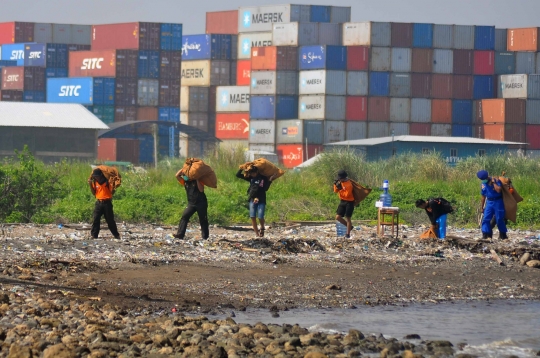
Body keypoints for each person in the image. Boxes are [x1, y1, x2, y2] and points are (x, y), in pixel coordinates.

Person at [236, 166, 275, 237]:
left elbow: (265, 188)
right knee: (252, 216)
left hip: (261, 199)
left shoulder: (263, 178)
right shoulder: (251, 178)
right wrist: (241, 168)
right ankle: (257, 234)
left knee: (260, 216)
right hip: (252, 199)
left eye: (253, 173)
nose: (252, 174)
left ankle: (262, 228)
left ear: (257, 172)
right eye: (251, 173)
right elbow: (238, 175)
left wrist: (270, 180)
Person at [174, 169, 209, 240]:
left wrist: (197, 179)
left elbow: (201, 190)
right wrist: (184, 169)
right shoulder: (185, 182)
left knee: (203, 219)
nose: (185, 176)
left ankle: (205, 237)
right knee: (184, 217)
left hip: (201, 203)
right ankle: (180, 234)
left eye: (186, 175)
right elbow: (177, 175)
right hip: (191, 203)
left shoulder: (199, 181)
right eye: (184, 175)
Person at [88, 168, 120, 239]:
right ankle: (94, 235)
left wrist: (113, 186)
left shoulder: (107, 182)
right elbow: (94, 193)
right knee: (96, 219)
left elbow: (112, 192)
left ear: (101, 175)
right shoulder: (95, 182)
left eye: (97, 176)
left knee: (110, 220)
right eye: (95, 176)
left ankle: (116, 235)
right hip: (99, 203)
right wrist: (90, 184)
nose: (96, 177)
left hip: (107, 203)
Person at [477, 170, 508, 240]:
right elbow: (483, 196)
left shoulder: (496, 180)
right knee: (486, 219)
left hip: (498, 201)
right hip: (489, 202)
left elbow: (498, 190)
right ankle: (486, 235)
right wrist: (482, 207)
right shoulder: (483, 184)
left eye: (484, 179)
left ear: (487, 176)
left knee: (499, 219)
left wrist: (493, 182)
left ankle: (503, 235)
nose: (483, 180)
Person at [333, 170, 355, 238]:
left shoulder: (349, 184)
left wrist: (341, 188)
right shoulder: (340, 182)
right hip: (342, 201)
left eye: (341, 178)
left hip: (349, 202)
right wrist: (336, 185)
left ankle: (347, 234)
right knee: (337, 217)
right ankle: (350, 227)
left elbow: (347, 195)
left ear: (344, 178)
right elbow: (335, 191)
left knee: (348, 218)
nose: (340, 179)